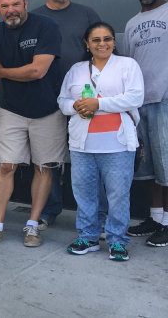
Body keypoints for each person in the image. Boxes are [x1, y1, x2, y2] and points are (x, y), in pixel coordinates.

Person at [0, 0, 66, 248]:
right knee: (6, 166)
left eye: (16, 4)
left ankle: (32, 226)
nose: (11, 10)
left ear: (25, 3)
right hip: (12, 109)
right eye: (5, 6)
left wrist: (1, 72)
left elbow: (37, 71)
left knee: (43, 167)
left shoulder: (46, 26)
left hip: (48, 110)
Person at [58, 22, 143, 261]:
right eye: (96, 40)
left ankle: (117, 240)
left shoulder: (127, 65)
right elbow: (62, 100)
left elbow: (136, 97)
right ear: (87, 44)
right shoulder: (76, 69)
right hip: (82, 145)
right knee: (85, 193)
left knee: (118, 194)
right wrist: (74, 106)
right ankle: (89, 236)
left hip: (117, 145)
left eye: (107, 39)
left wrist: (99, 104)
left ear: (114, 42)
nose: (102, 43)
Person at [32, 0, 102, 230]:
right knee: (47, 160)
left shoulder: (86, 14)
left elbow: (102, 49)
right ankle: (48, 211)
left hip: (83, 101)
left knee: (90, 158)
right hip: (45, 99)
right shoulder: (35, 17)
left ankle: (97, 216)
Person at [120, 0, 168, 247]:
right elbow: (129, 67)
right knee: (149, 167)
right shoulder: (132, 23)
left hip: (165, 101)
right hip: (140, 104)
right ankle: (155, 217)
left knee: (167, 165)